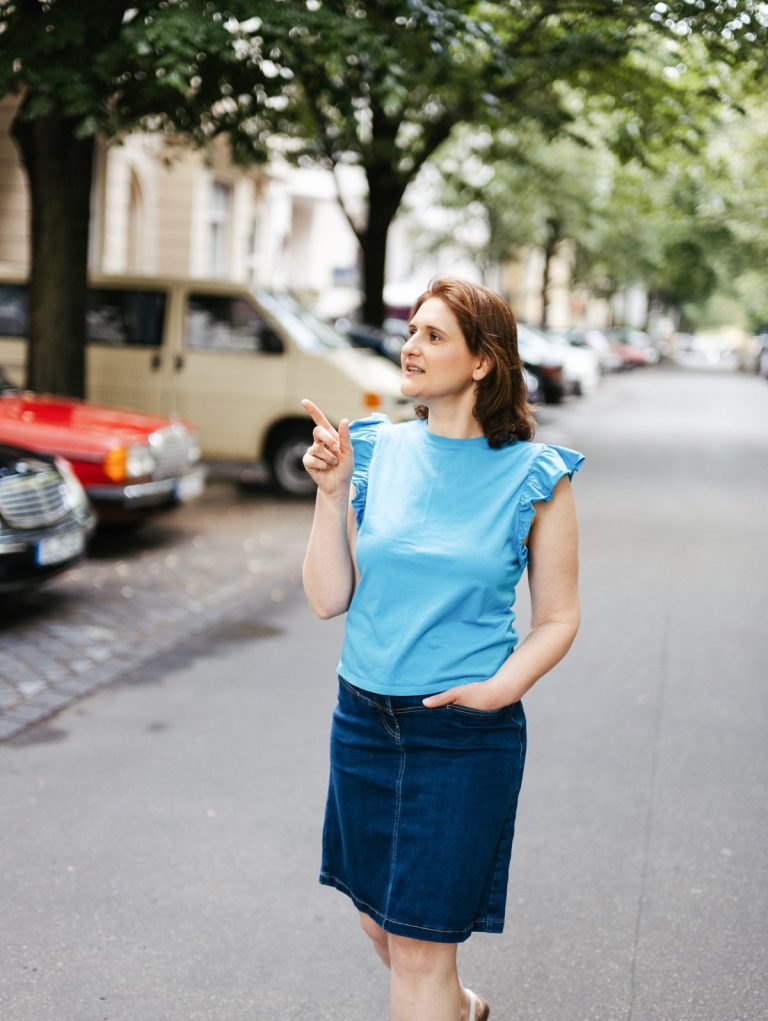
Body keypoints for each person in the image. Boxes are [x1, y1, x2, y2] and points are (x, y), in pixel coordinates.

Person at [301, 277, 584, 1021]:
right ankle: (461, 1008)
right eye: (412, 332)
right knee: (380, 925)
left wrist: (498, 690)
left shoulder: (536, 475)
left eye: (433, 336)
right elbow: (329, 598)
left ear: (483, 361)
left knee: (420, 947)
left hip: (462, 734)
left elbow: (558, 617)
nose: (411, 347)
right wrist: (330, 495)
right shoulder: (373, 450)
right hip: (363, 722)